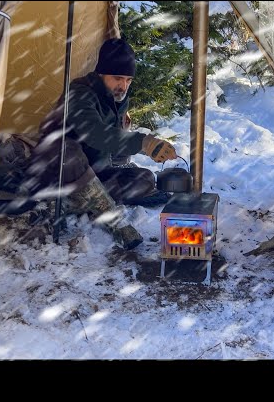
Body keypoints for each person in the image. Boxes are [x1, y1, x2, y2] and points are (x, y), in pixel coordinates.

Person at [23, 38, 178, 249]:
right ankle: (111, 218)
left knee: (144, 178)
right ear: (101, 73)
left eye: (128, 80)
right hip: (57, 169)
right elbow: (95, 133)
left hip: (93, 172)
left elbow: (112, 140)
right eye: (118, 78)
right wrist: (143, 143)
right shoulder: (79, 93)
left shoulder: (118, 99)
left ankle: (81, 202)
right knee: (68, 151)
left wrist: (128, 153)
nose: (123, 86)